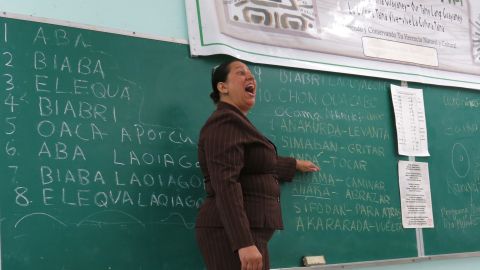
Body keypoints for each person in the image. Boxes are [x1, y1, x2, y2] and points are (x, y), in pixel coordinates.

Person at [195, 58, 320, 270]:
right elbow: (226, 183)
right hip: (232, 235)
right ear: (222, 87)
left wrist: (294, 164)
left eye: (251, 73)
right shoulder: (225, 122)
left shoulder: (236, 122)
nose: (251, 77)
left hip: (245, 233)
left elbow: (253, 163)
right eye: (240, 73)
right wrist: (243, 243)